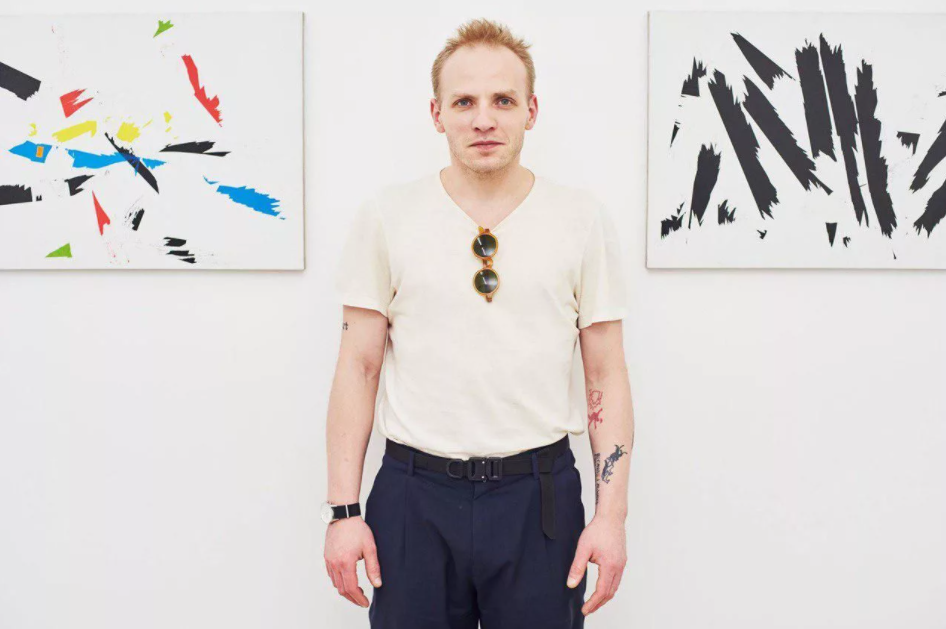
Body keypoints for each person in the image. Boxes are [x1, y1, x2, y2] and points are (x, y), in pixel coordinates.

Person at [323, 17, 634, 628]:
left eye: (503, 101)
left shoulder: (580, 218)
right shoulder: (388, 216)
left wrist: (611, 517)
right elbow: (357, 367)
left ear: (531, 110)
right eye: (464, 101)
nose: (484, 119)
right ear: (437, 113)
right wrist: (343, 512)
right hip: (413, 496)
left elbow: (606, 374)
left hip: (538, 499)